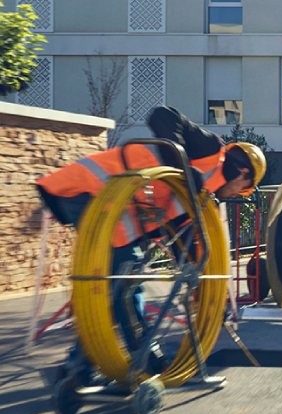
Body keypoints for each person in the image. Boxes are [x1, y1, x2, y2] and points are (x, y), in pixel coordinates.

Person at [35, 106, 265, 376]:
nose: (239, 193)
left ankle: (82, 366)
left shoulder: (197, 196)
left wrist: (205, 291)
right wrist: (183, 171)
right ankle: (138, 356)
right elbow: (162, 115)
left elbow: (181, 239)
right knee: (123, 282)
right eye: (244, 188)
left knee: (112, 287)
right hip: (92, 189)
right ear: (243, 174)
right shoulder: (210, 149)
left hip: (108, 207)